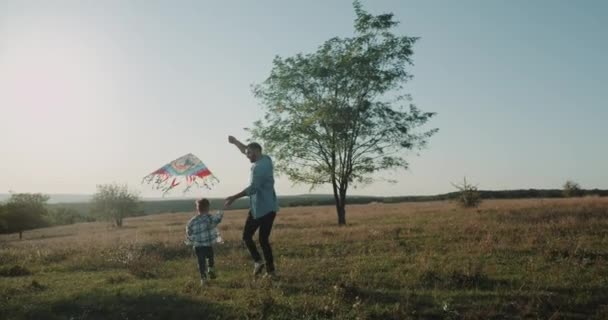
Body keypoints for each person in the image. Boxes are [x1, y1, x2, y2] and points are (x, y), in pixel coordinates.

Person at [225, 136, 279, 278]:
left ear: (255, 152)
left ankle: (258, 261)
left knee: (246, 236)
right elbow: (245, 150)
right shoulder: (266, 159)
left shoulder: (259, 168)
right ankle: (271, 271)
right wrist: (236, 142)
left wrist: (233, 198)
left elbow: (252, 189)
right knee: (263, 240)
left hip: (259, 210)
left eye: (249, 154)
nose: (247, 156)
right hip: (270, 208)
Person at [185, 198, 224, 286]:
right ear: (208, 208)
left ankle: (203, 279)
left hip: (198, 246)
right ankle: (211, 269)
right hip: (209, 245)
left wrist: (190, 240)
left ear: (197, 208)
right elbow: (218, 219)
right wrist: (221, 211)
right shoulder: (210, 218)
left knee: (201, 262)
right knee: (210, 258)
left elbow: (188, 231)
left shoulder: (192, 220)